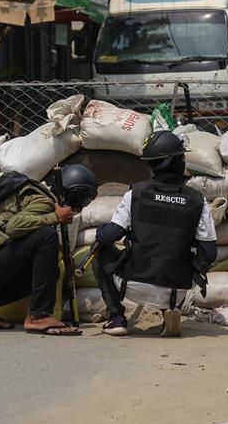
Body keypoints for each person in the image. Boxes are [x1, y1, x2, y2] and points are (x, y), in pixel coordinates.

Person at [93, 131, 217, 337]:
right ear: (177, 161)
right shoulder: (198, 200)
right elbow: (209, 252)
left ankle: (116, 318)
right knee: (175, 256)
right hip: (176, 291)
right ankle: (169, 312)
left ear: (152, 164)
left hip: (132, 285)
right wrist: (189, 270)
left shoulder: (135, 194)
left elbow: (110, 235)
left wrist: (100, 232)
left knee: (100, 251)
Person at [0, 165, 97, 335]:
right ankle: (39, 316)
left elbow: (26, 241)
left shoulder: (34, 196)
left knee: (51, 269)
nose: (80, 206)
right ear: (74, 194)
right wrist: (55, 217)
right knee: (47, 236)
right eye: (83, 200)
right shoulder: (44, 201)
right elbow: (14, 227)